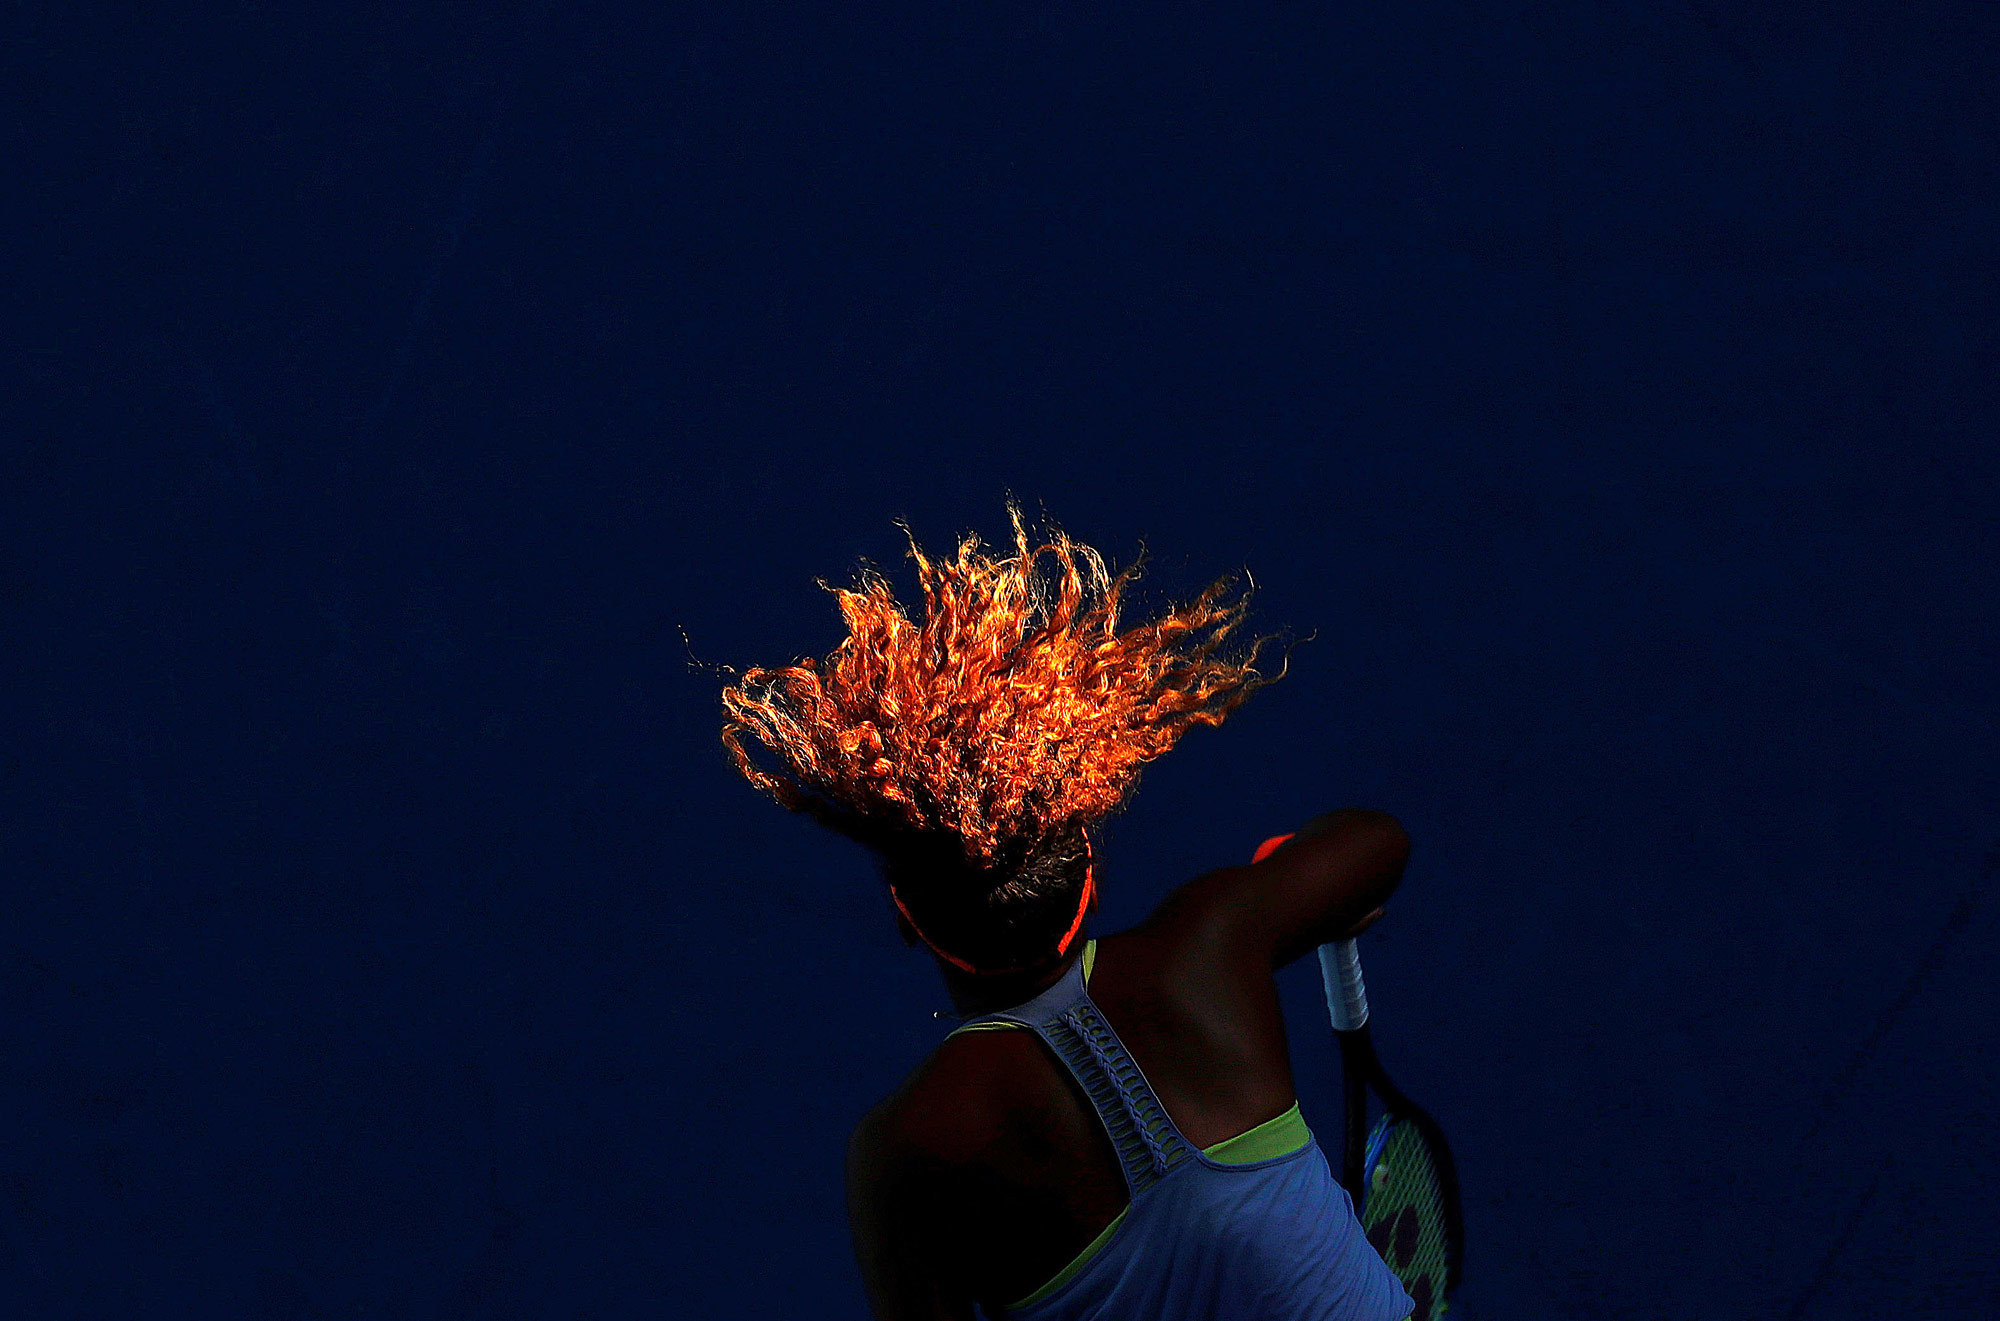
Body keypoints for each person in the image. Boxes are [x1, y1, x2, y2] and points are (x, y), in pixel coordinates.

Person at [718, 498, 1416, 1320]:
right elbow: (1376, 842)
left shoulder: (903, 1152)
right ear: (1089, 869)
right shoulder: (1210, 944)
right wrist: (1277, 878)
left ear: (908, 916)